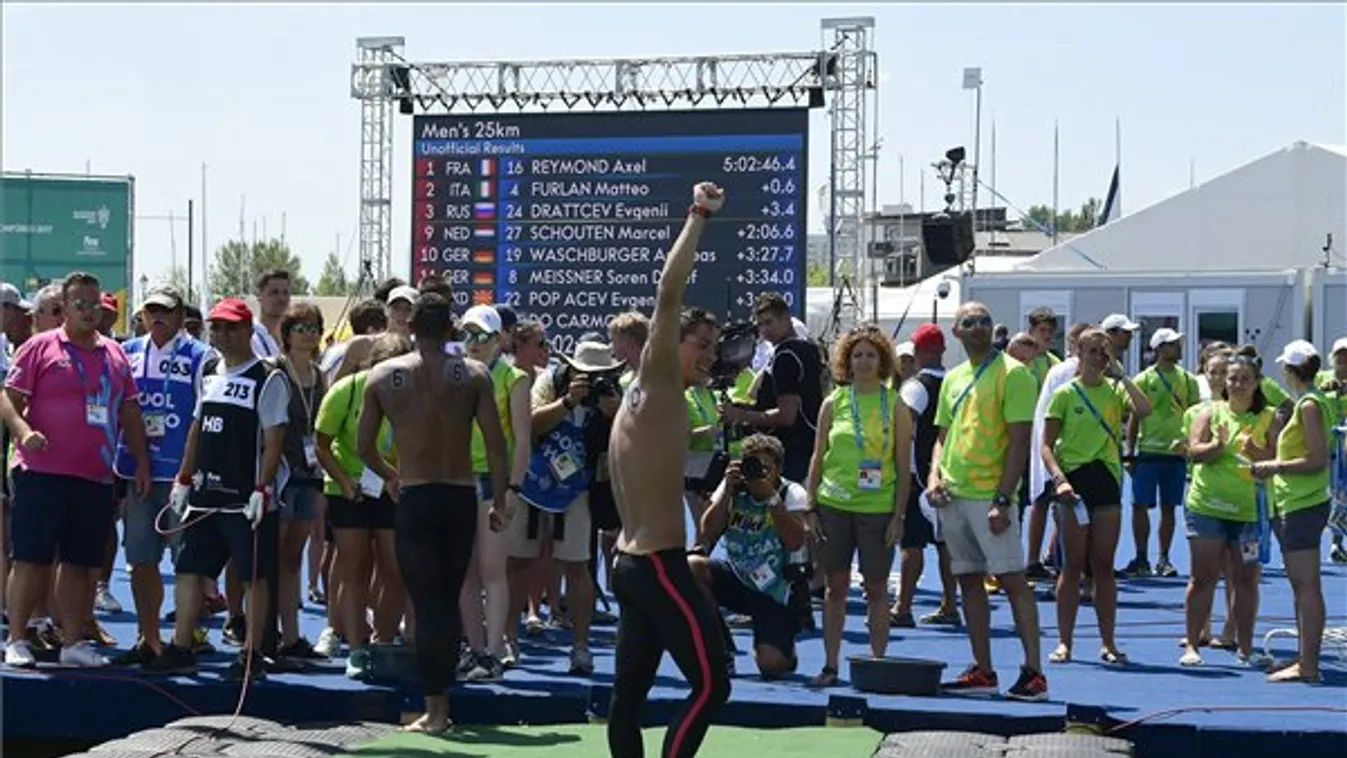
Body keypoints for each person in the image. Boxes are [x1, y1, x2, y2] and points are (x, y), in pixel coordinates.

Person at [608, 182, 731, 758]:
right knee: (712, 685)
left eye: (714, 344)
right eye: (700, 342)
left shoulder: (645, 396)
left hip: (631, 564)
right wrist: (699, 216)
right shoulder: (657, 379)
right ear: (667, 342)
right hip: (656, 565)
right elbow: (668, 290)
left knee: (626, 705)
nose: (709, 352)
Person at [359, 292, 517, 734]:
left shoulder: (384, 374)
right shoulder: (473, 374)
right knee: (446, 603)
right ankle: (442, 706)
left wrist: (392, 476)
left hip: (417, 495)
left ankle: (436, 708)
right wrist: (501, 500)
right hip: (461, 496)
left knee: (428, 606)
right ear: (451, 331)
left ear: (411, 329)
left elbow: (362, 447)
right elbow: (496, 445)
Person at [3, 272, 149, 668]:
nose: (88, 311)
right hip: (42, 471)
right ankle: (17, 638)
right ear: (64, 308)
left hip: (95, 477)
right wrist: (23, 431)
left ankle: (73, 643)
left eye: (94, 304)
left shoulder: (115, 354)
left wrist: (141, 464)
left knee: (81, 563)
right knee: (30, 558)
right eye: (79, 304)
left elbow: (131, 412)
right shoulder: (40, 347)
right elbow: (8, 399)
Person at [143, 297, 289, 681]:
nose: (222, 334)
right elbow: (197, 426)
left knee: (253, 575)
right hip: (206, 496)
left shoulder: (268, 377)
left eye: (230, 327)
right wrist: (183, 478)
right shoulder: (207, 371)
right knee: (190, 568)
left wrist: (263, 487)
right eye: (216, 327)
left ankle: (254, 652)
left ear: (246, 331)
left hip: (245, 498)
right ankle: (180, 646)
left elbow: (275, 439)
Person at [927, 301, 1046, 701]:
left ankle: (1034, 673)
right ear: (957, 332)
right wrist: (934, 476)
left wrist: (1003, 497)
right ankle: (984, 670)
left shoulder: (1015, 374)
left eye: (985, 320)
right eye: (970, 322)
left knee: (1012, 579)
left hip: (990, 496)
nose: (979, 327)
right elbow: (943, 436)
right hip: (954, 495)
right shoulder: (953, 378)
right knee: (968, 582)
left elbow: (1019, 441)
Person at [804, 324, 912, 687]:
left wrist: (899, 516)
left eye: (870, 355)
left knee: (877, 588)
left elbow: (902, 463)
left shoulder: (895, 403)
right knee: (835, 588)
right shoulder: (833, 401)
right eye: (857, 355)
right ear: (846, 362)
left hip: (878, 508)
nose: (864, 361)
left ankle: (877, 662)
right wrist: (810, 506)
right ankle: (831, 665)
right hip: (834, 505)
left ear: (882, 361)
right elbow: (818, 456)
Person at [112, 286, 214, 664]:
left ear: (180, 316)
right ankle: (148, 637)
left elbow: (205, 417)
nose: (157, 317)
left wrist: (190, 472)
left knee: (188, 561)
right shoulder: (127, 352)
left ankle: (188, 636)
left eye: (165, 311)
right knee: (141, 558)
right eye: (150, 310)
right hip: (137, 471)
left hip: (182, 476)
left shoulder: (202, 356)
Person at [1040, 328, 1151, 665]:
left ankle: (1109, 642)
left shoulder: (1115, 391)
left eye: (1105, 353)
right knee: (1072, 565)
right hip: (1074, 481)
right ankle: (1065, 642)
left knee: (1104, 565)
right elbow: (1046, 445)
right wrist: (1059, 480)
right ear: (1079, 353)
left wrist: (1122, 375)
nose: (1099, 359)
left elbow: (1143, 409)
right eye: (1093, 352)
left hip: (1106, 481)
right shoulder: (1065, 394)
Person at [314, 332, 411, 678]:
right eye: (389, 370)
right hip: (348, 488)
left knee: (395, 570)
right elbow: (322, 445)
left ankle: (383, 641)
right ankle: (356, 649)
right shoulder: (346, 390)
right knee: (355, 570)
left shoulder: (413, 395)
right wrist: (343, 481)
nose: (396, 378)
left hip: (391, 489)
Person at [1181, 346, 1278, 668]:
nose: (1237, 384)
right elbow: (1194, 451)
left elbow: (1278, 461)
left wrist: (1257, 453)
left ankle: (1245, 647)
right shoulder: (1209, 412)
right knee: (1203, 578)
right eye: (1232, 378)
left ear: (1256, 382)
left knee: (1245, 580)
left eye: (1244, 379)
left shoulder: (1269, 416)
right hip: (1208, 506)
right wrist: (1218, 445)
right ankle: (1193, 644)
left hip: (1249, 511)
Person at [688, 433, 808, 678]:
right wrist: (727, 492)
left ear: (778, 468)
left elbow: (795, 541)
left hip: (775, 590)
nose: (758, 473)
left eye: (766, 468)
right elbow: (707, 532)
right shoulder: (734, 487)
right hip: (739, 578)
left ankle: (784, 648)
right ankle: (720, 650)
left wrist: (771, 499)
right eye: (752, 466)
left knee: (772, 666)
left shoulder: (791, 493)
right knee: (692, 566)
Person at [1252, 340, 1333, 683]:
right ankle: (1305, 659)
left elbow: (1316, 458)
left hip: (1303, 503)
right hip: (1298, 501)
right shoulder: (1312, 402)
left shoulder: (1310, 406)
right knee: (1303, 586)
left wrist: (1275, 465)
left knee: (1306, 586)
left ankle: (1309, 665)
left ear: (1289, 371)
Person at [458, 304, 531, 679]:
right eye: (468, 335)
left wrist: (513, 489)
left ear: (499, 339)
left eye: (482, 336)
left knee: (492, 569)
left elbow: (522, 439)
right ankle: (474, 649)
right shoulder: (455, 374)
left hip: (493, 481)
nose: (474, 344)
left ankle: (492, 652)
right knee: (466, 571)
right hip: (457, 478)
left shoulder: (513, 378)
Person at [891, 323, 959, 628]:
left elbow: (904, 427)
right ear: (943, 350)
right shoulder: (958, 382)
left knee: (912, 543)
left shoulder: (916, 386)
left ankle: (902, 607)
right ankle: (949, 604)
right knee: (946, 543)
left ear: (916, 351)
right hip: (953, 473)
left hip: (918, 476)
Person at [273, 303, 328, 660]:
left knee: (292, 557)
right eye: (301, 327)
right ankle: (267, 632)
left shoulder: (321, 376)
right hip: (280, 474)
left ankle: (291, 637)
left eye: (313, 327)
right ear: (287, 333)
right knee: (272, 556)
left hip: (310, 475)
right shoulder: (274, 371)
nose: (308, 333)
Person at [1126, 328, 1200, 579]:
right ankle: (1141, 557)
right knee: (1139, 506)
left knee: (1169, 507)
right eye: (1172, 344)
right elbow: (1135, 416)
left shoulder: (1188, 380)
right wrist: (1129, 450)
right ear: (1158, 349)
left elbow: (1194, 413)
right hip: (1148, 451)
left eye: (1178, 343)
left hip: (1176, 453)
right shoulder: (1144, 379)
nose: (1178, 347)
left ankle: (1164, 558)